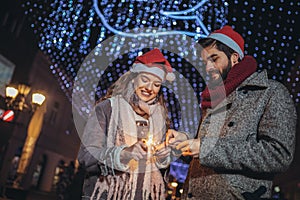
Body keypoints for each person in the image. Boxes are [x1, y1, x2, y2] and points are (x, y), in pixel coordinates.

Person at [166, 25, 297, 199]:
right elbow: (204, 148)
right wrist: (186, 142)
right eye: (204, 62)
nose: (208, 68)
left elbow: (278, 155)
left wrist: (205, 149)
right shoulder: (212, 98)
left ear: (234, 58)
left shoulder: (270, 92)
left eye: (214, 59)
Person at [78, 48, 175, 200]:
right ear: (133, 78)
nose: (149, 88)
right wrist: (122, 154)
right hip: (104, 195)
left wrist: (162, 158)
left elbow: (160, 172)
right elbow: (86, 156)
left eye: (156, 84)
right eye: (145, 80)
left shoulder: (160, 119)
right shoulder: (107, 109)